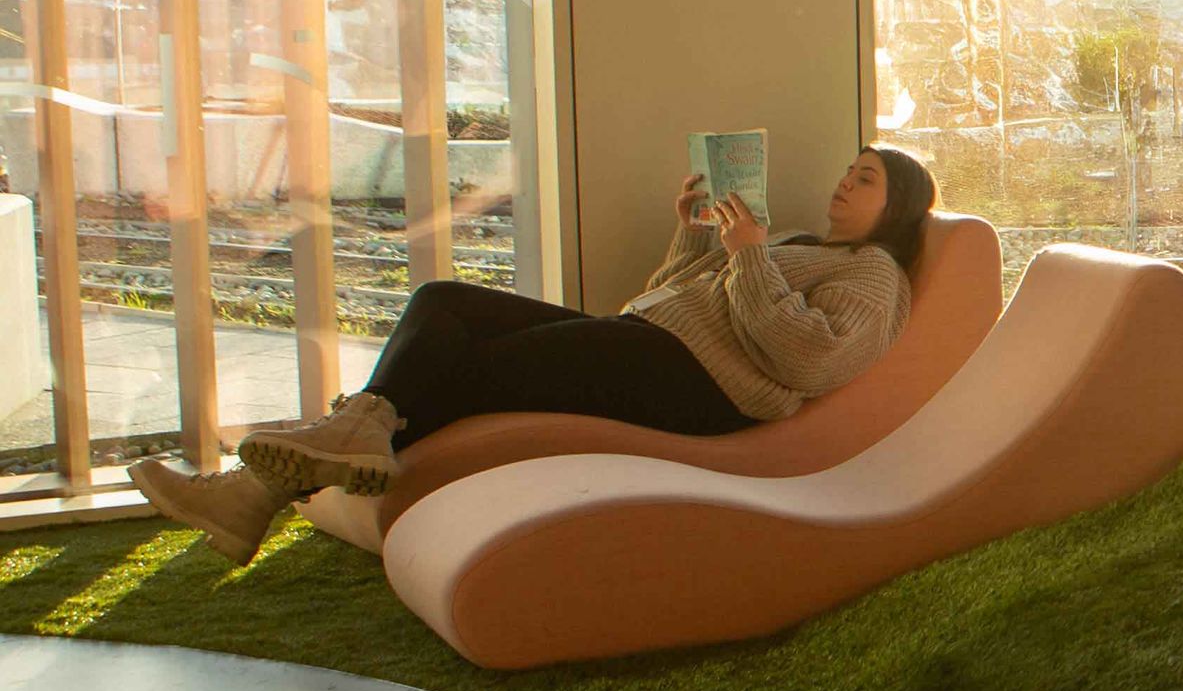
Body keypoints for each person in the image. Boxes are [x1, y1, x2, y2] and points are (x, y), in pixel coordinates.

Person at [131, 147, 938, 565]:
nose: (842, 184)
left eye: (863, 179)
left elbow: (813, 362)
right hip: (651, 343)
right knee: (443, 306)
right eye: (847, 171)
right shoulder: (797, 242)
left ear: (893, 205)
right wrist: (700, 234)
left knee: (463, 371)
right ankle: (325, 450)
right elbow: (668, 293)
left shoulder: (873, 275)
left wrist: (752, 256)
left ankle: (260, 487)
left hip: (693, 386)